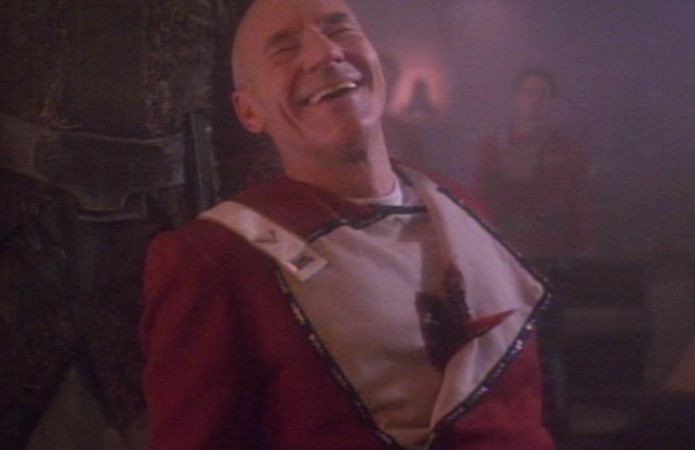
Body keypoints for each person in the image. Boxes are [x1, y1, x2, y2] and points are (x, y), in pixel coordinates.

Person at [140, 1, 554, 449]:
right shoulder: (214, 258)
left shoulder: (462, 207)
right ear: (249, 111)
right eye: (284, 47)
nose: (325, 52)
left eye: (338, 28)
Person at [474, 68, 593, 260]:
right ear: (515, 98)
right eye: (528, 92)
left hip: (550, 247)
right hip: (502, 244)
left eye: (542, 94)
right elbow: (481, 195)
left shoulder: (567, 147)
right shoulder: (492, 144)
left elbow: (577, 199)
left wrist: (582, 247)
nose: (535, 99)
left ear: (552, 101)